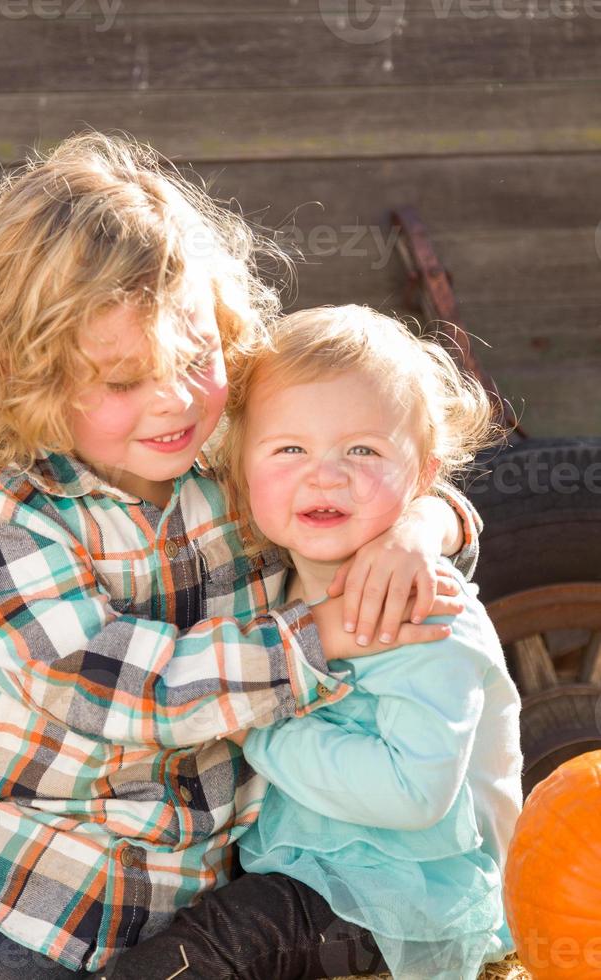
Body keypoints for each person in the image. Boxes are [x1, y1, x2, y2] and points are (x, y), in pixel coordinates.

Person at [0, 135, 479, 978]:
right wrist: (318, 636)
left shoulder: (236, 463)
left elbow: (362, 481)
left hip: (207, 898)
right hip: (39, 891)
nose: (175, 399)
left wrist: (426, 523)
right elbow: (121, 690)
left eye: (197, 358)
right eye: (125, 382)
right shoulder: (5, 518)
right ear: (25, 374)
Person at [105, 305, 523, 980]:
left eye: (362, 450)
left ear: (423, 474)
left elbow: (412, 793)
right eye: (290, 449)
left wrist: (252, 729)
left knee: (178, 965)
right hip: (306, 867)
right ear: (239, 474)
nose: (325, 475)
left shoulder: (424, 614)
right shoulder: (271, 573)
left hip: (392, 900)